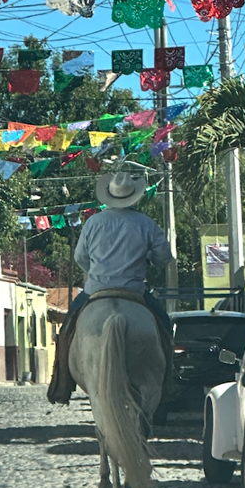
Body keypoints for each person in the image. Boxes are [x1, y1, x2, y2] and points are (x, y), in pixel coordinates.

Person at [49, 171, 173, 404]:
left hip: (95, 291)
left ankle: (62, 385)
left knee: (67, 330)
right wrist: (148, 259)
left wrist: (96, 270)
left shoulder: (94, 222)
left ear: (109, 196)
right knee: (165, 327)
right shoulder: (146, 223)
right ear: (134, 197)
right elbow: (164, 257)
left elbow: (80, 257)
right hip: (135, 292)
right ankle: (168, 383)